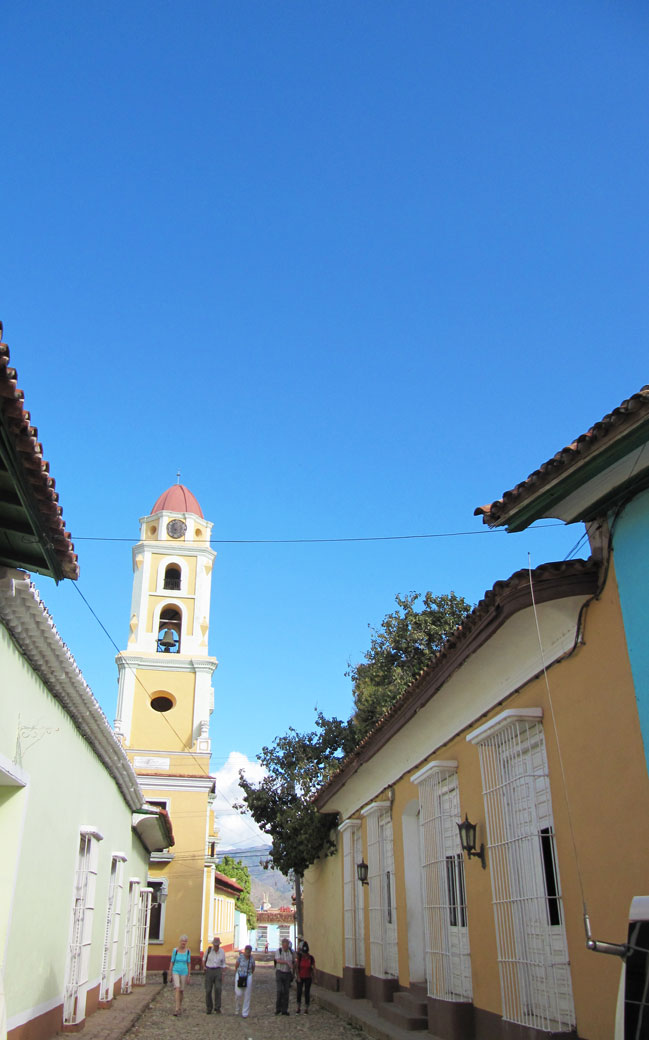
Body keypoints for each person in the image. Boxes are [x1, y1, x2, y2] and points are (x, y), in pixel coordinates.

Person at [202, 935, 226, 1014]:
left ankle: (217, 1007)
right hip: (209, 970)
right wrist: (204, 967)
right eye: (215, 945)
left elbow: (223, 964)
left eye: (217, 945)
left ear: (219, 945)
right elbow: (204, 959)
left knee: (218, 989)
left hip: (218, 970)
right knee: (208, 990)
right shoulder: (209, 950)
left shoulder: (222, 952)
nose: (216, 946)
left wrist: (223, 974)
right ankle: (209, 1007)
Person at [169, 935, 191, 1016]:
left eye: (185, 941)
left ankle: (180, 1006)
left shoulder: (188, 951)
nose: (183, 943)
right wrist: (170, 974)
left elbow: (189, 963)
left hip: (184, 971)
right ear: (180, 942)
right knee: (177, 988)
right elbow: (172, 962)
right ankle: (177, 1008)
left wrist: (189, 975)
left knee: (181, 990)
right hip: (176, 970)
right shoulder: (175, 951)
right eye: (182, 941)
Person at [274, 937, 296, 1015]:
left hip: (287, 973)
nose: (285, 947)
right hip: (279, 972)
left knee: (286, 992)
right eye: (284, 946)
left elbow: (294, 961)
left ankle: (284, 1010)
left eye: (287, 946)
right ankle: (278, 1008)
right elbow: (277, 960)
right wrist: (286, 962)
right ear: (282, 945)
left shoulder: (291, 952)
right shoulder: (279, 951)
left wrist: (294, 971)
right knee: (280, 990)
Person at [234, 944, 255, 1018]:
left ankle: (245, 1012)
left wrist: (249, 974)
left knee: (247, 994)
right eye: (247, 952)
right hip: (239, 975)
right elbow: (236, 966)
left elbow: (253, 968)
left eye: (249, 952)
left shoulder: (251, 959)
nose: (247, 953)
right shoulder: (240, 957)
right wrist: (238, 973)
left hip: (248, 976)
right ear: (245, 951)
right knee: (238, 993)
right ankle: (237, 1008)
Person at [295, 940, 315, 1014]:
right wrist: (298, 977)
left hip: (308, 977)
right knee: (299, 992)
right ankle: (298, 1007)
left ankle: (306, 1008)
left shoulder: (311, 958)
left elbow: (313, 968)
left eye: (305, 953)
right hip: (300, 977)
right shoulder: (299, 958)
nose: (304, 955)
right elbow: (297, 967)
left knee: (307, 992)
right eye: (303, 953)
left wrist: (314, 978)